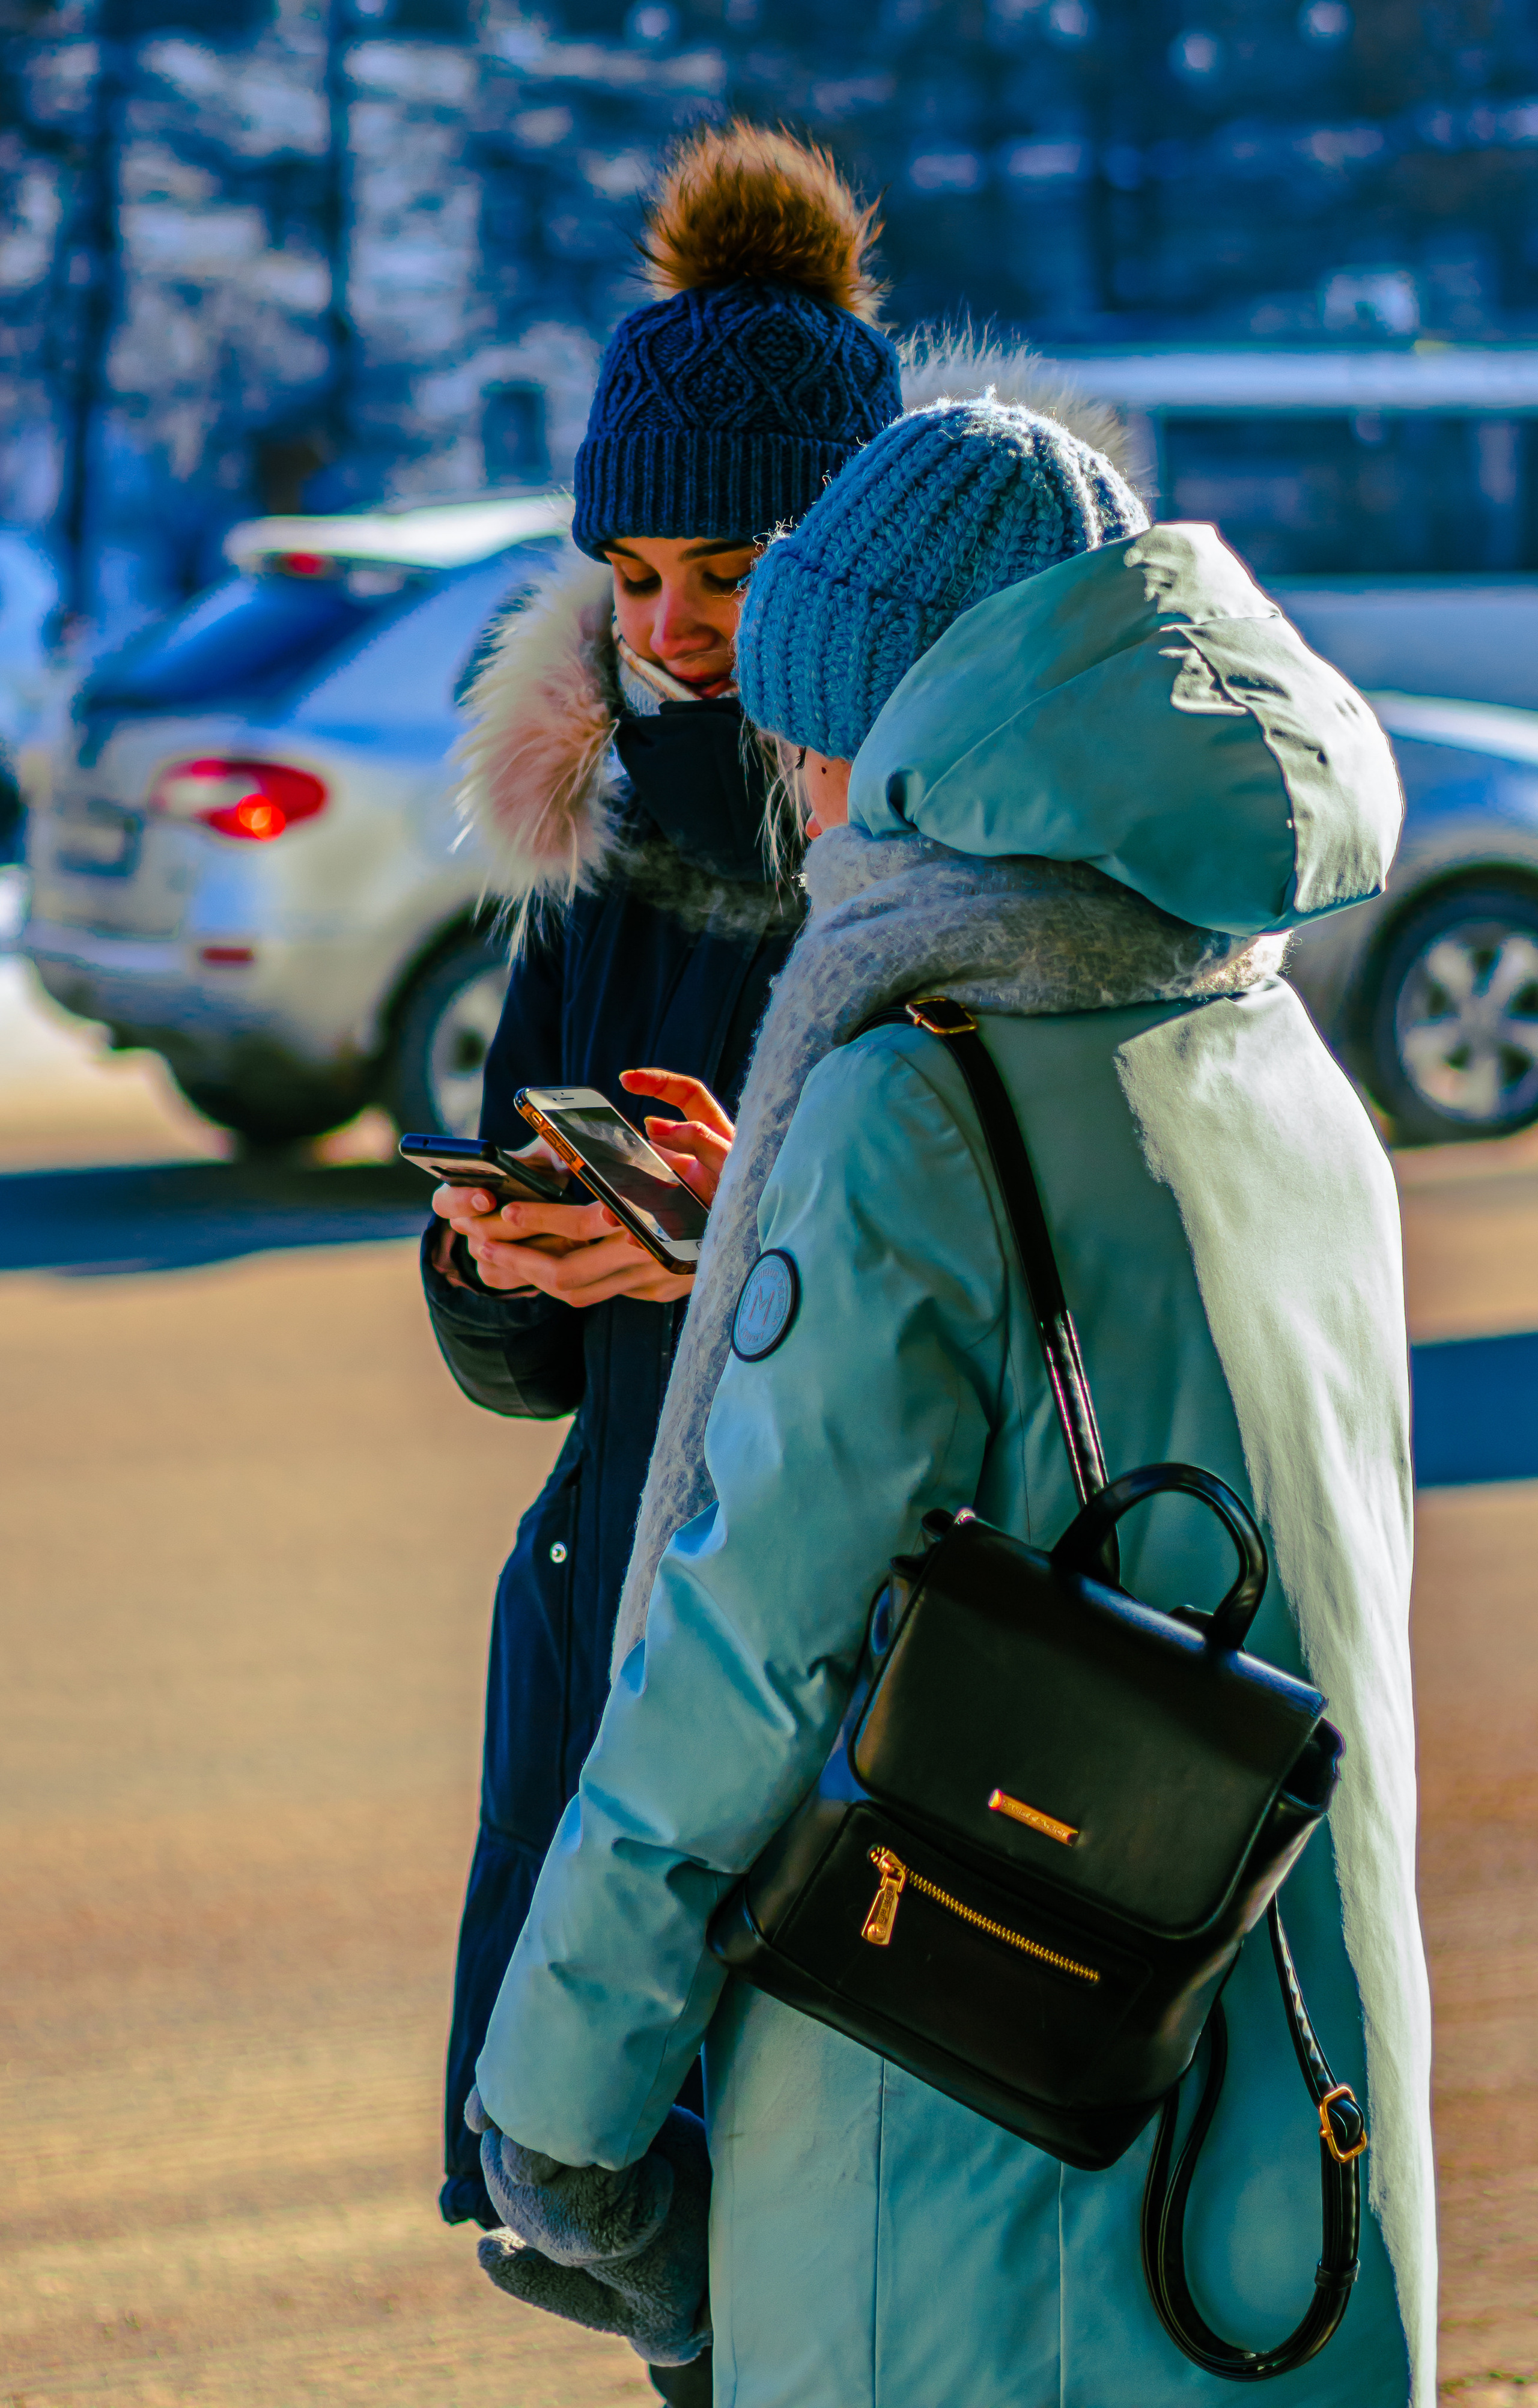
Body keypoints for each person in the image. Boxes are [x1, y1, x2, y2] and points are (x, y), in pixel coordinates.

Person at [458, 398, 1435, 2405]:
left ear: (930, 737)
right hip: (1294, 2128)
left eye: (822, 745)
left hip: (977, 2170)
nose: (806, 803)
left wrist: (562, 2109)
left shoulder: (913, 1098)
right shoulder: (1273, 1049)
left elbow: (748, 1654)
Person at [420, 114, 903, 2339]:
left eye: (724, 571)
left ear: (834, 561)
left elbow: (958, 1288)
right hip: (614, 1610)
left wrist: (722, 1255)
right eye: (629, 577)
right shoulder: (602, 847)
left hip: (831, 1662)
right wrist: (497, 1262)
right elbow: (525, 1362)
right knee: (662, 2255)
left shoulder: (917, 853)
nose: (669, 628)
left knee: (820, 2263)